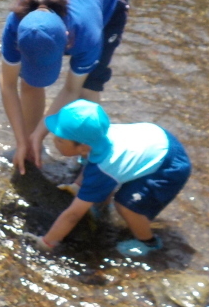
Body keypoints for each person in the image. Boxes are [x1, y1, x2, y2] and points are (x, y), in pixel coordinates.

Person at [0, 0, 129, 175]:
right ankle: (33, 150)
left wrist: (42, 131)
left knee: (88, 88)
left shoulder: (87, 33)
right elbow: (8, 85)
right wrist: (22, 140)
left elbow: (72, 89)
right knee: (29, 82)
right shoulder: (16, 25)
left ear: (67, 41)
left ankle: (90, 160)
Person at [25, 100, 191, 258]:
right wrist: (77, 187)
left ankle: (149, 243)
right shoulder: (96, 137)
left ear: (83, 147)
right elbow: (90, 165)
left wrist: (47, 242)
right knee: (106, 179)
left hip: (168, 167)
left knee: (126, 206)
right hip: (156, 139)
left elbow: (73, 215)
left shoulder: (103, 167)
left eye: (60, 140)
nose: (54, 142)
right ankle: (101, 205)